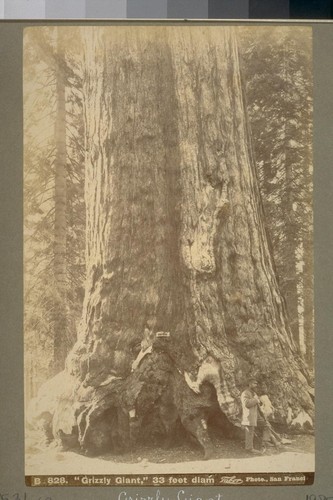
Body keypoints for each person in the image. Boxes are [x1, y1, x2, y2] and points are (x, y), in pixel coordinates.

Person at [241, 378, 269, 454]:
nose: (256, 385)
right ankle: (249, 449)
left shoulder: (254, 393)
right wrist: (256, 399)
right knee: (250, 432)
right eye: (254, 383)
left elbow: (257, 404)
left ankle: (264, 443)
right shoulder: (245, 393)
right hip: (249, 416)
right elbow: (247, 404)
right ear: (249, 384)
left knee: (266, 425)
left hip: (256, 415)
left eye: (256, 383)